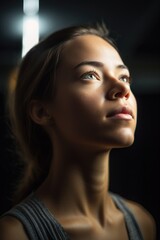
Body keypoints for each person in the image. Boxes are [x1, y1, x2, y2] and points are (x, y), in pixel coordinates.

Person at [0, 21, 156, 240]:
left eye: (124, 77)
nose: (123, 89)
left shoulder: (143, 223)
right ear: (42, 111)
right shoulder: (15, 234)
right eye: (90, 75)